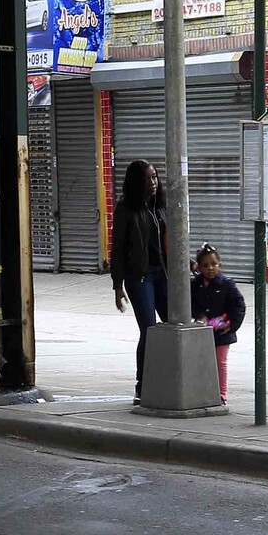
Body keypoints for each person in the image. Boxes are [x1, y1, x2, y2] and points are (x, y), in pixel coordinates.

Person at [108, 159, 168, 402]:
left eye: (154, 177)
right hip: (140, 277)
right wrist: (117, 285)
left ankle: (168, 378)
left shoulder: (160, 206)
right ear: (135, 182)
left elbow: (171, 242)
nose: (152, 183)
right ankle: (142, 385)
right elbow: (118, 249)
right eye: (146, 179)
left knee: (173, 323)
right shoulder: (126, 209)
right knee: (149, 330)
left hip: (163, 274)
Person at [189, 243, 246, 402]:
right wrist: (198, 315)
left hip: (222, 332)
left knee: (220, 363)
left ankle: (221, 394)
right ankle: (203, 391)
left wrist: (232, 324)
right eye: (205, 265)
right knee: (202, 362)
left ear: (220, 265)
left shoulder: (227, 284)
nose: (210, 268)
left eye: (214, 264)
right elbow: (189, 303)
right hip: (202, 331)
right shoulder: (195, 285)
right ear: (199, 267)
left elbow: (239, 305)